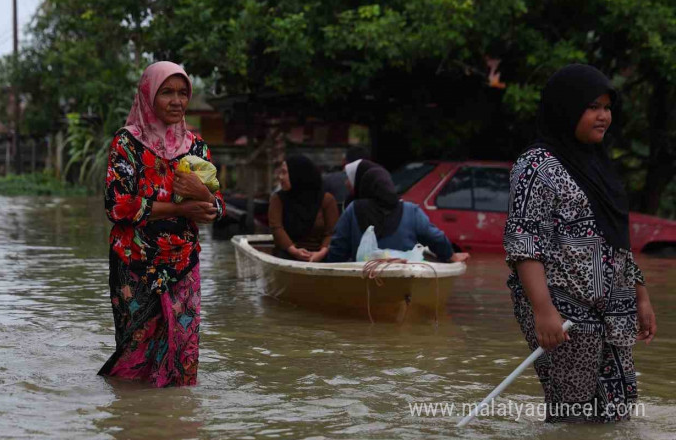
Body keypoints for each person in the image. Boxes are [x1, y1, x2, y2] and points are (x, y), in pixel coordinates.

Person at [504, 64, 657, 422]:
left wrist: (642, 297)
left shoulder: (599, 166)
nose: (603, 116)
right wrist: (543, 311)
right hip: (562, 308)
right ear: (566, 108)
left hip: (614, 310)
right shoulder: (536, 165)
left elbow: (617, 241)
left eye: (607, 107)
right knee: (572, 416)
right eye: (592, 107)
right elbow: (524, 241)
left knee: (617, 413)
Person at [100, 61, 225, 387]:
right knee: (135, 354)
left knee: (183, 356)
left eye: (183, 93)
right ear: (148, 95)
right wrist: (182, 209)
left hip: (183, 263)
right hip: (134, 262)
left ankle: (177, 424)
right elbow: (116, 206)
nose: (177, 101)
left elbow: (217, 207)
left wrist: (205, 199)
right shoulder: (127, 144)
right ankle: (134, 421)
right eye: (167, 92)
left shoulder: (197, 147)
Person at [326, 167, 470, 263]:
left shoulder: (353, 209)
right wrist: (451, 256)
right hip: (404, 276)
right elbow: (435, 237)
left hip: (364, 276)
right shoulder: (411, 210)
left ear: (365, 188)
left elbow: (338, 250)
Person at [268, 155, 339, 262]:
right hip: (288, 254)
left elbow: (331, 232)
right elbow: (277, 228)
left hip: (321, 255)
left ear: (297, 175)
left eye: (284, 173)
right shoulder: (277, 199)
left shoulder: (326, 200)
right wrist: (294, 251)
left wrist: (321, 253)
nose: (280, 177)